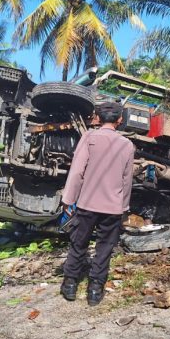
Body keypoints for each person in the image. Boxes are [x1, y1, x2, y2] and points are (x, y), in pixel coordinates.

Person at [60, 100, 135, 306]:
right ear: (120, 119)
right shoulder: (127, 145)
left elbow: (76, 171)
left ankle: (70, 284)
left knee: (78, 243)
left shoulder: (89, 137)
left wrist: (68, 199)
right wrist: (124, 207)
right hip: (113, 207)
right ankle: (95, 290)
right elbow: (127, 180)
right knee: (104, 248)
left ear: (98, 118)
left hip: (86, 204)